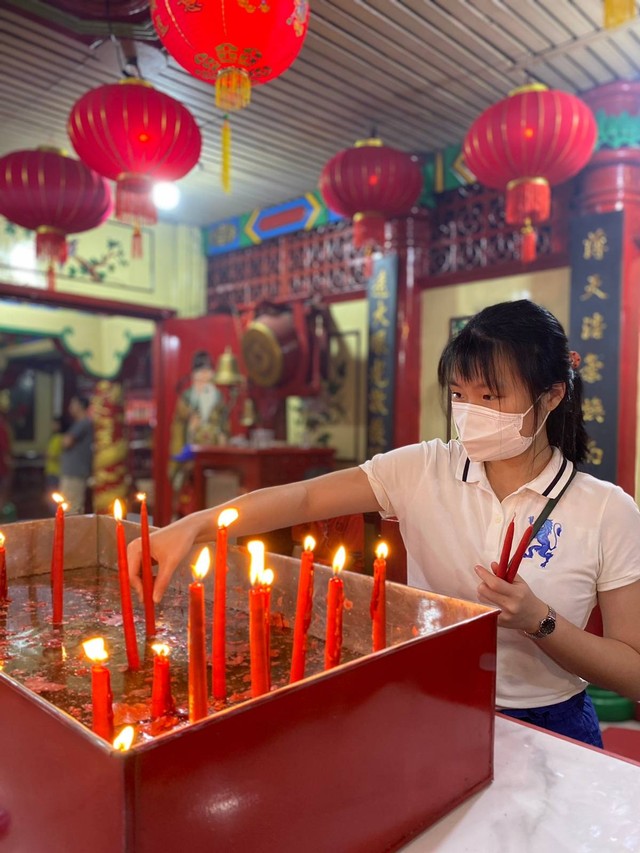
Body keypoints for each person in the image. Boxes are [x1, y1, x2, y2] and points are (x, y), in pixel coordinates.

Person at [128, 300, 640, 746]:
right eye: (459, 395)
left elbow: (632, 671)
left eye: (491, 397)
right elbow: (305, 497)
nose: (470, 413)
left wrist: (539, 621)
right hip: (431, 703)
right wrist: (197, 524)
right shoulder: (424, 468)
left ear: (550, 396)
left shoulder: (607, 510)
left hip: (551, 722)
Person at [60, 396, 93, 515]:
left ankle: (71, 533)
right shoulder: (81, 423)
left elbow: (66, 442)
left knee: (71, 508)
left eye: (72, 405)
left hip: (75, 472)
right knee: (70, 507)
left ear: (80, 406)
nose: (70, 408)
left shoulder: (83, 423)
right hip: (75, 472)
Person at [44, 416, 64, 495]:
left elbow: (61, 456)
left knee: (55, 494)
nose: (52, 426)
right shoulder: (53, 437)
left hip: (57, 472)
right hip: (50, 470)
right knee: (50, 494)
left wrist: (50, 455)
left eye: (54, 424)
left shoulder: (61, 438)